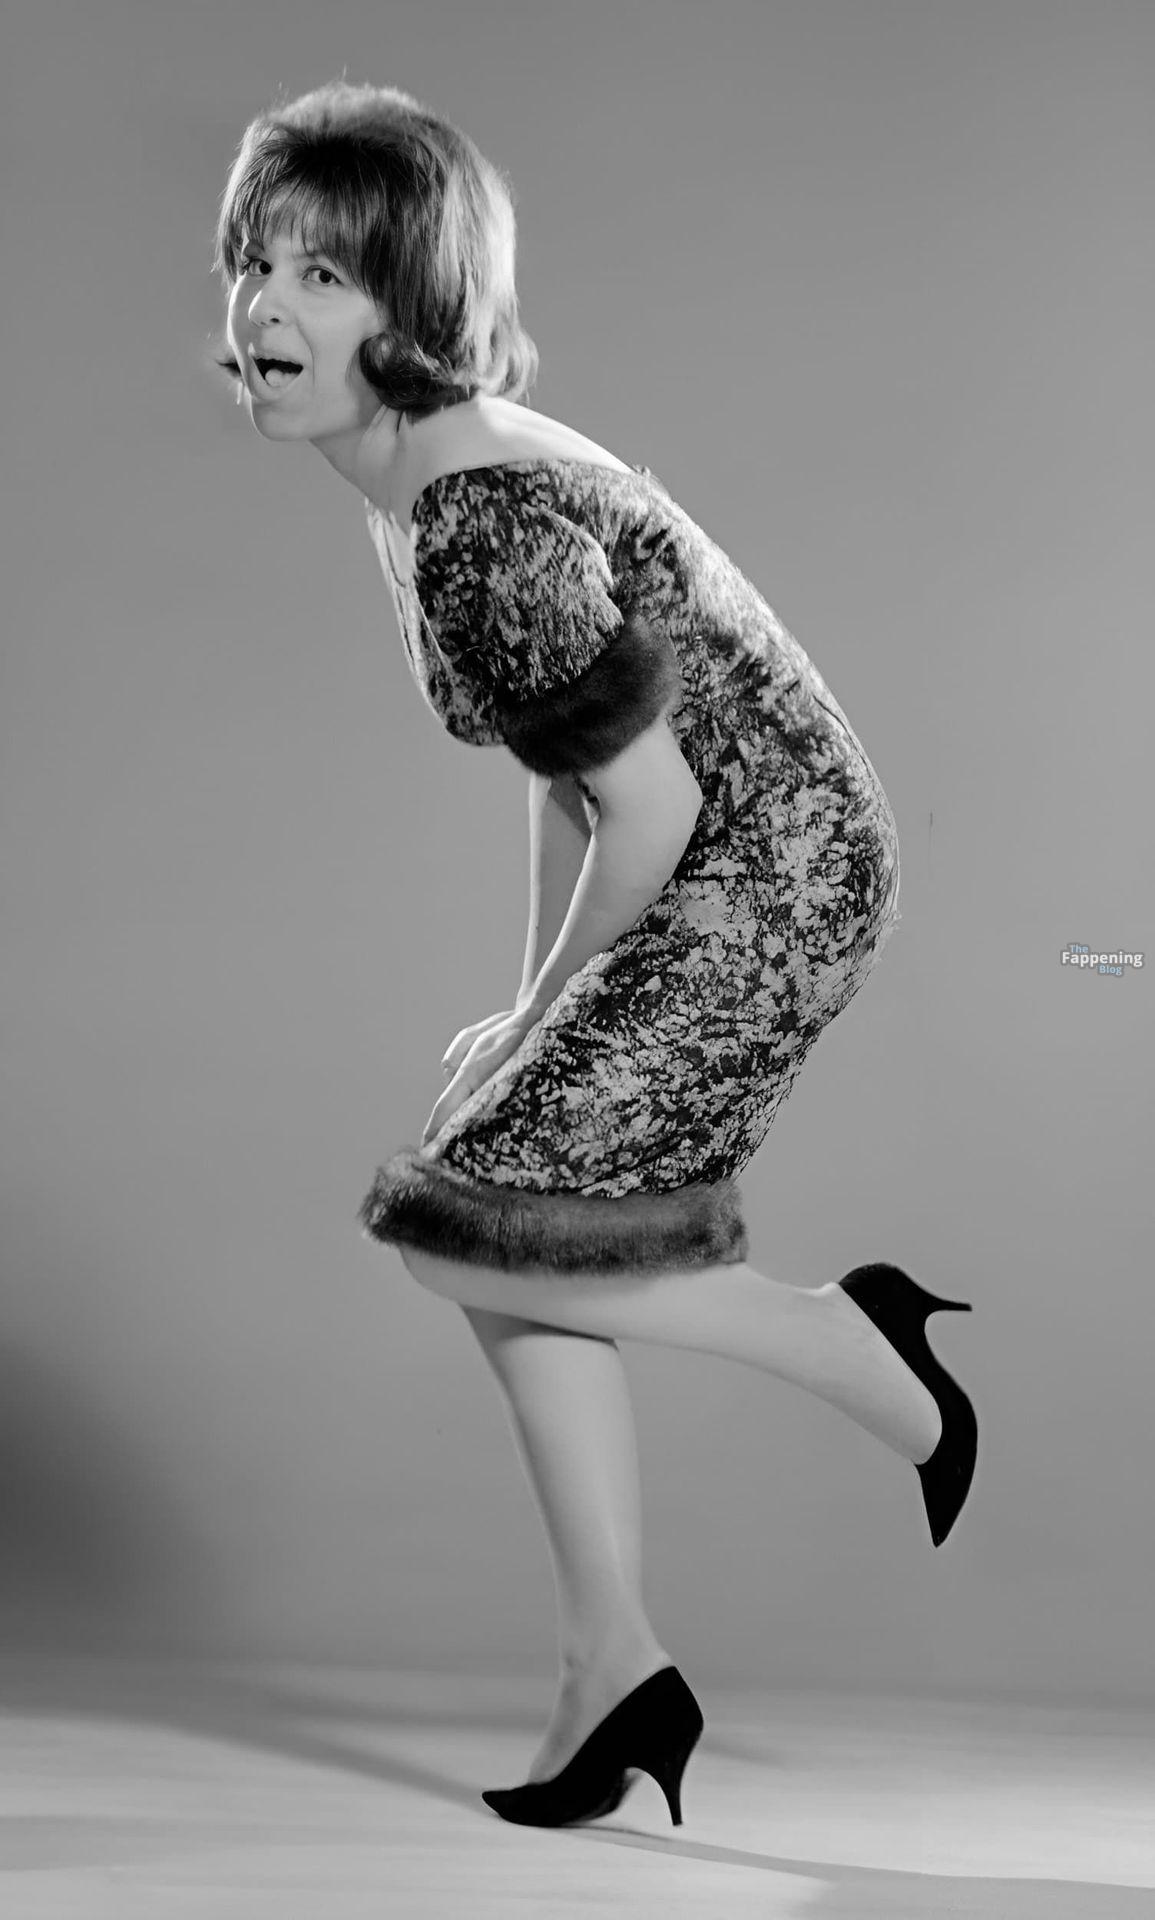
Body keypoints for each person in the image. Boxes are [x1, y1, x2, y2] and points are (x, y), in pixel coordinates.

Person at [213, 76, 978, 1831]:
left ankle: (860, 1351)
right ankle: (614, 1666)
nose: (264, 309)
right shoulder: (418, 472)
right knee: (500, 1230)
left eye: (325, 275)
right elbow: (565, 763)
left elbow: (648, 806)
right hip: (725, 845)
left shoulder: (472, 513)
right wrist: (522, 1006)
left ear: (414, 309)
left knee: (461, 1227)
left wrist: (542, 1015)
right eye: (253, 263)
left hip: (772, 875)